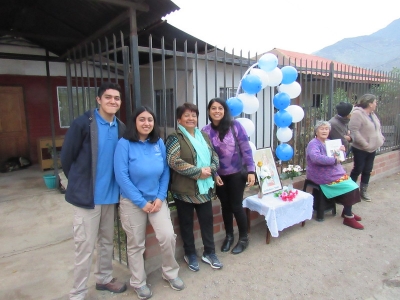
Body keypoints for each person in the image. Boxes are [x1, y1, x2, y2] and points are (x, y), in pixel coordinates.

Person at [61, 82, 127, 300]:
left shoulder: (121, 127)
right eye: (108, 97)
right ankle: (78, 292)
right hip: (87, 199)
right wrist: (80, 183)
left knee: (107, 242)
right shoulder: (83, 124)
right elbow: (67, 158)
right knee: (85, 247)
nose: (112, 101)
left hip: (110, 198)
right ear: (98, 100)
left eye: (116, 98)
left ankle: (104, 279)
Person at [114, 106, 184, 299]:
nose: (146, 123)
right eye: (142, 119)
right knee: (136, 244)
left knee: (168, 236)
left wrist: (161, 197)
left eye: (150, 120)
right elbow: (122, 176)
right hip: (132, 202)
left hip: (156, 201)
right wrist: (140, 202)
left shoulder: (158, 143)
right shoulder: (124, 144)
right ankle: (138, 282)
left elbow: (165, 172)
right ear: (134, 122)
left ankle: (170, 273)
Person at [166, 103, 223, 272]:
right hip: (184, 190)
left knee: (207, 221)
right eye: (186, 115)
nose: (191, 118)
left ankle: (209, 252)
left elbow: (214, 156)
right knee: (186, 223)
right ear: (179, 119)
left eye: (194, 115)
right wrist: (198, 172)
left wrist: (211, 170)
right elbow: (173, 160)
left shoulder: (203, 136)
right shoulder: (174, 137)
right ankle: (190, 253)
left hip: (204, 189)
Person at [202, 98, 255, 254]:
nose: (217, 111)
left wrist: (251, 170)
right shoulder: (205, 131)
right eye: (213, 108)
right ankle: (229, 236)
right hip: (219, 176)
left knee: (236, 206)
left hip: (237, 174)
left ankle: (244, 238)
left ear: (224, 110)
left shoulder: (235, 126)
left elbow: (246, 149)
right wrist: (215, 173)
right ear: (209, 111)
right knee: (225, 206)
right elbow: (206, 156)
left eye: (220, 108)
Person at [306, 121, 363, 230]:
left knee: (352, 185)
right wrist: (333, 159)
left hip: (333, 172)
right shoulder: (313, 144)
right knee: (350, 187)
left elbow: (339, 158)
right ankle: (348, 216)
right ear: (316, 131)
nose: (324, 131)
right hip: (320, 174)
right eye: (322, 129)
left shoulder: (329, 142)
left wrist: (342, 152)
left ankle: (347, 211)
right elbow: (316, 158)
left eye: (326, 129)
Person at [348, 94, 384, 202]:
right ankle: (350, 191)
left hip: (372, 148)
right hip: (361, 148)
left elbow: (377, 128)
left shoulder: (372, 114)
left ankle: (363, 191)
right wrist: (365, 144)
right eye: (375, 102)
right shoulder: (357, 114)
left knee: (367, 170)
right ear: (369, 103)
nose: (376, 104)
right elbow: (354, 131)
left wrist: (381, 138)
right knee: (358, 169)